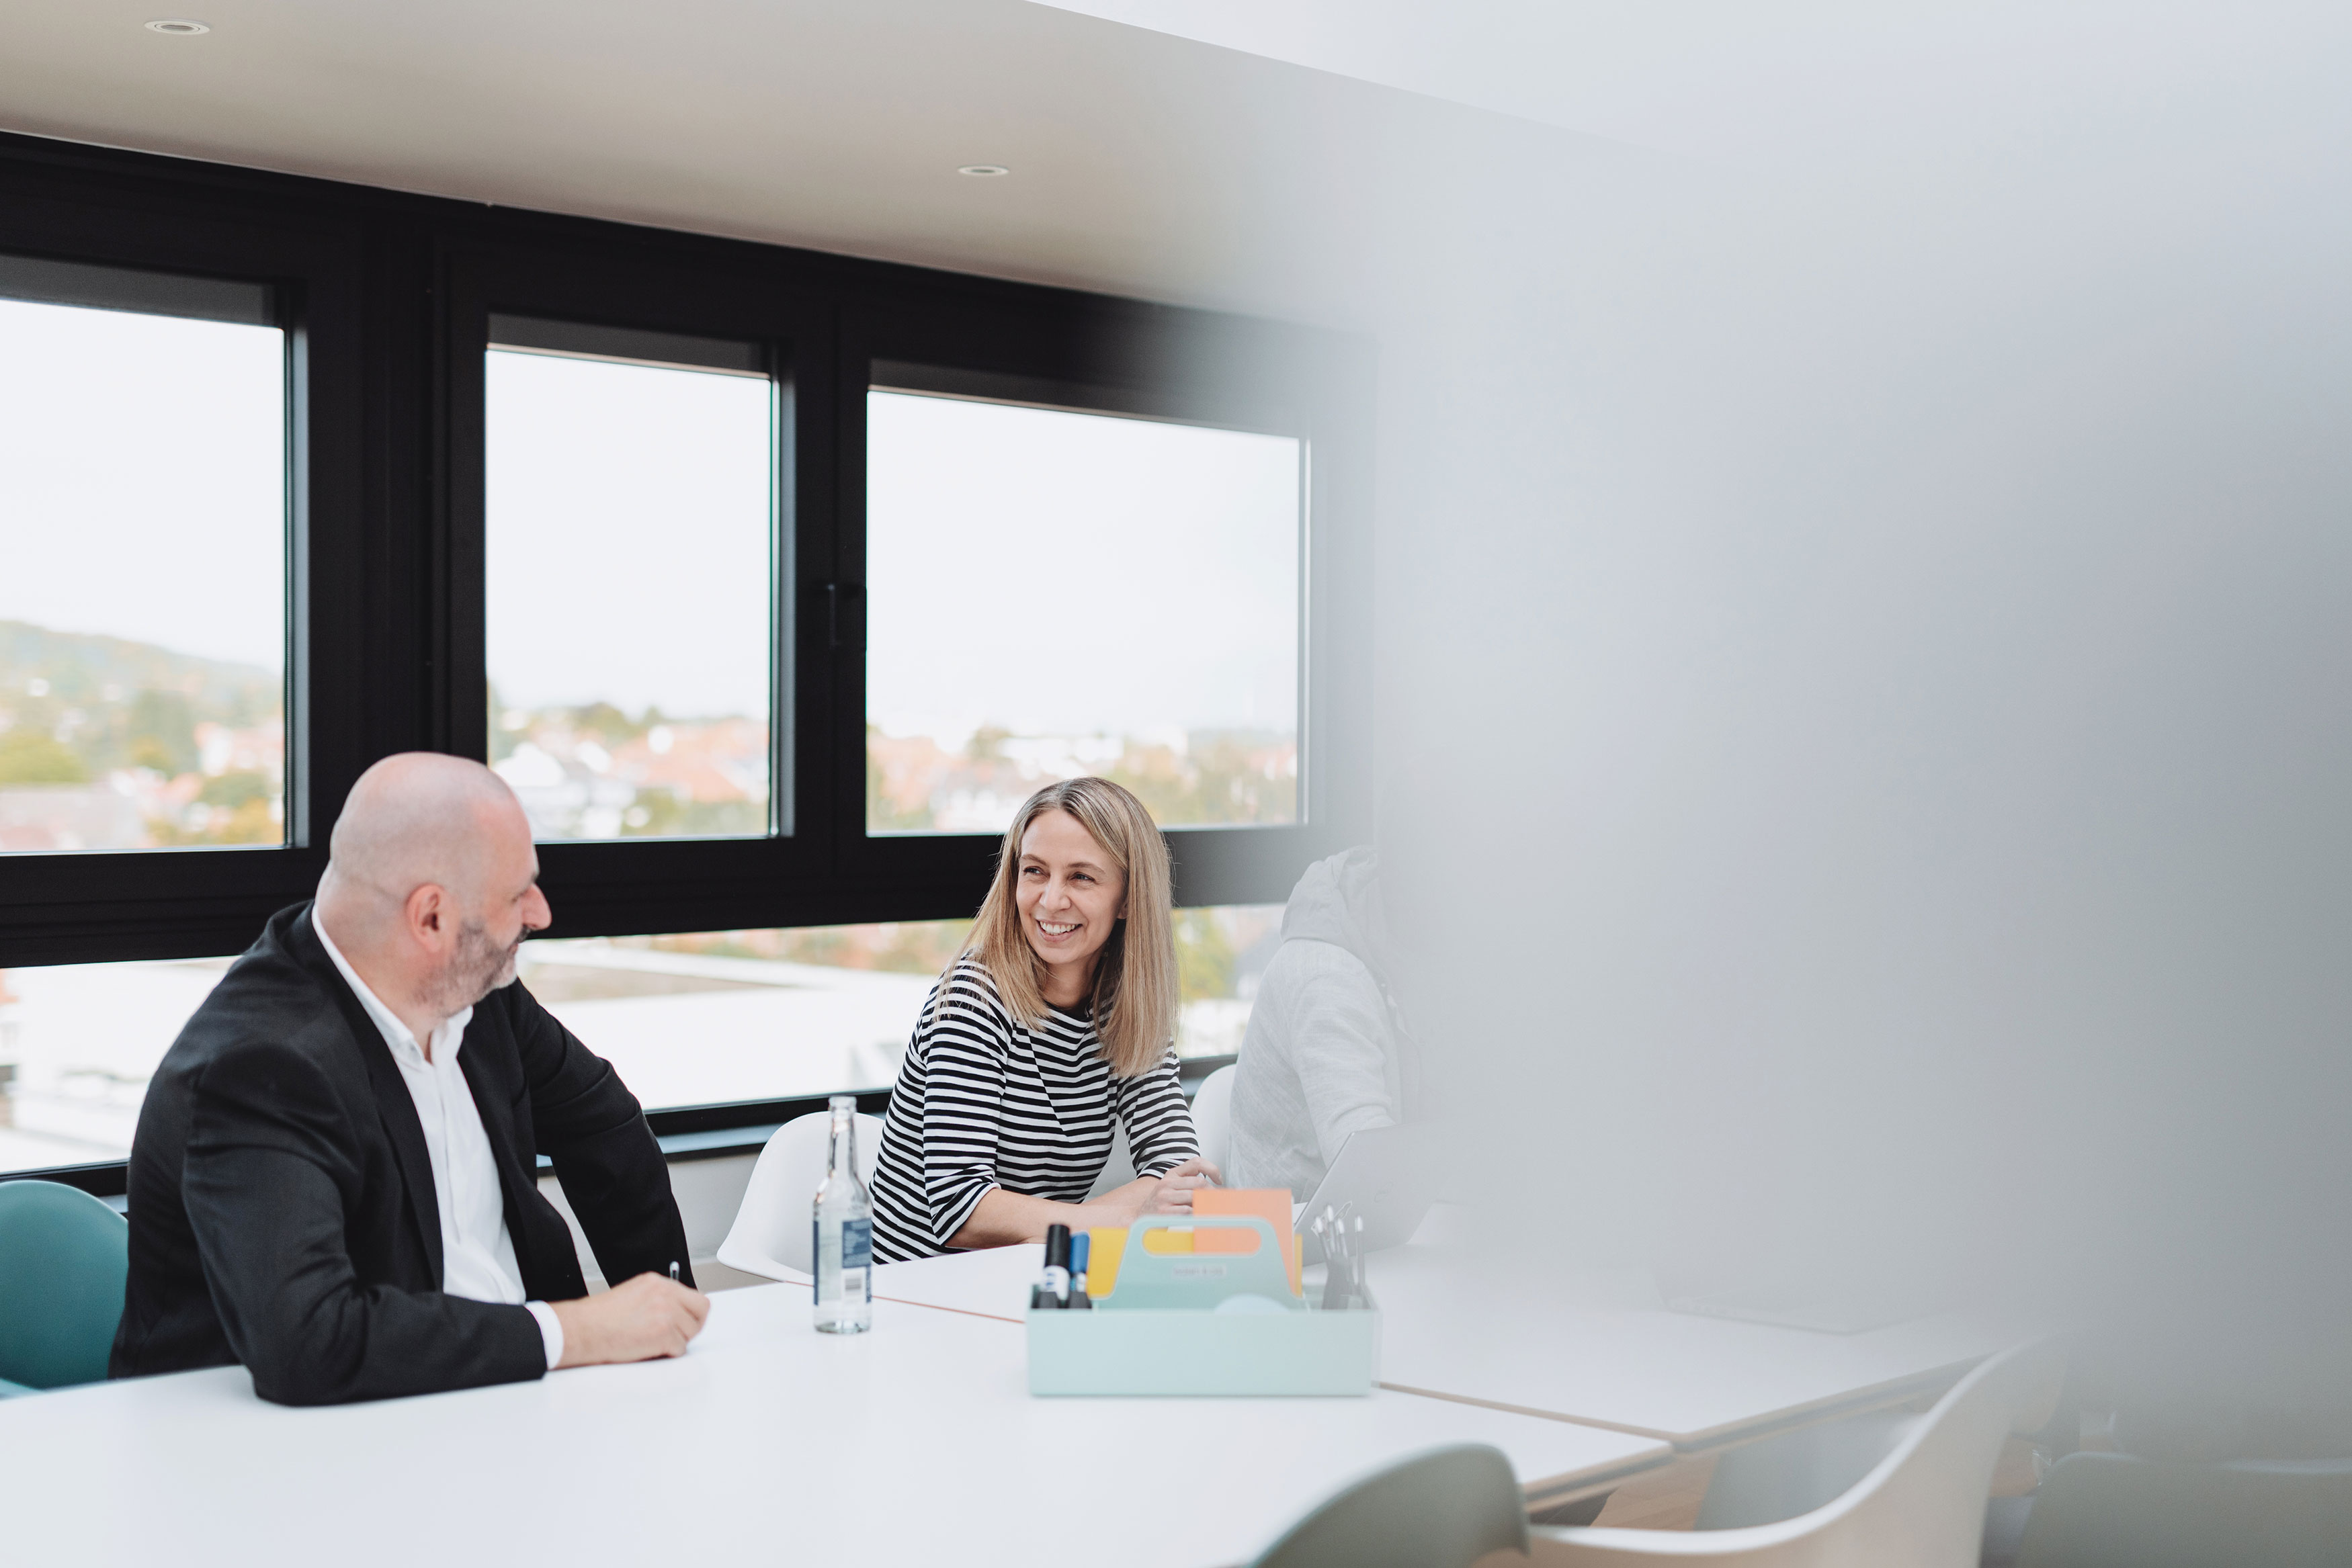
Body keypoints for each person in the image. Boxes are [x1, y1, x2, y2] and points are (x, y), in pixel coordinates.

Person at [110, 752, 709, 1405]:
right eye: (517, 894)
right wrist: (578, 1332)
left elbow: (604, 1125)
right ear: (431, 919)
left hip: (506, 1402)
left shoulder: (478, 995)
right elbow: (309, 1346)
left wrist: (662, 1315)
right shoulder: (258, 1068)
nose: (540, 913)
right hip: (294, 1452)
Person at [869, 777, 1216, 1262]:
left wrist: (1150, 1200)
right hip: (922, 1293)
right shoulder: (975, 997)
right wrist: (1115, 1214)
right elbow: (959, 1210)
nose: (1051, 901)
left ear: (1129, 898)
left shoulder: (1129, 1005)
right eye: (1035, 872)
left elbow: (1179, 1169)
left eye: (1082, 877)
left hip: (1032, 1276)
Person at [1227, 846, 1420, 1198]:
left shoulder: (1387, 956)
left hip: (1352, 1224)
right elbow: (1370, 1168)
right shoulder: (1324, 978)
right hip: (1295, 1237)